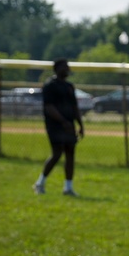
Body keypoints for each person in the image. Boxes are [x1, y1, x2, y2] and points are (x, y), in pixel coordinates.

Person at [33, 59, 84, 196]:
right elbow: (49, 107)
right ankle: (40, 183)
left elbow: (74, 107)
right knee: (57, 154)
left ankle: (68, 188)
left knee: (70, 154)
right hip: (55, 125)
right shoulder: (50, 85)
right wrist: (63, 122)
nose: (68, 69)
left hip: (69, 124)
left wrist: (80, 124)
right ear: (57, 68)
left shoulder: (69, 86)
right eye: (65, 67)